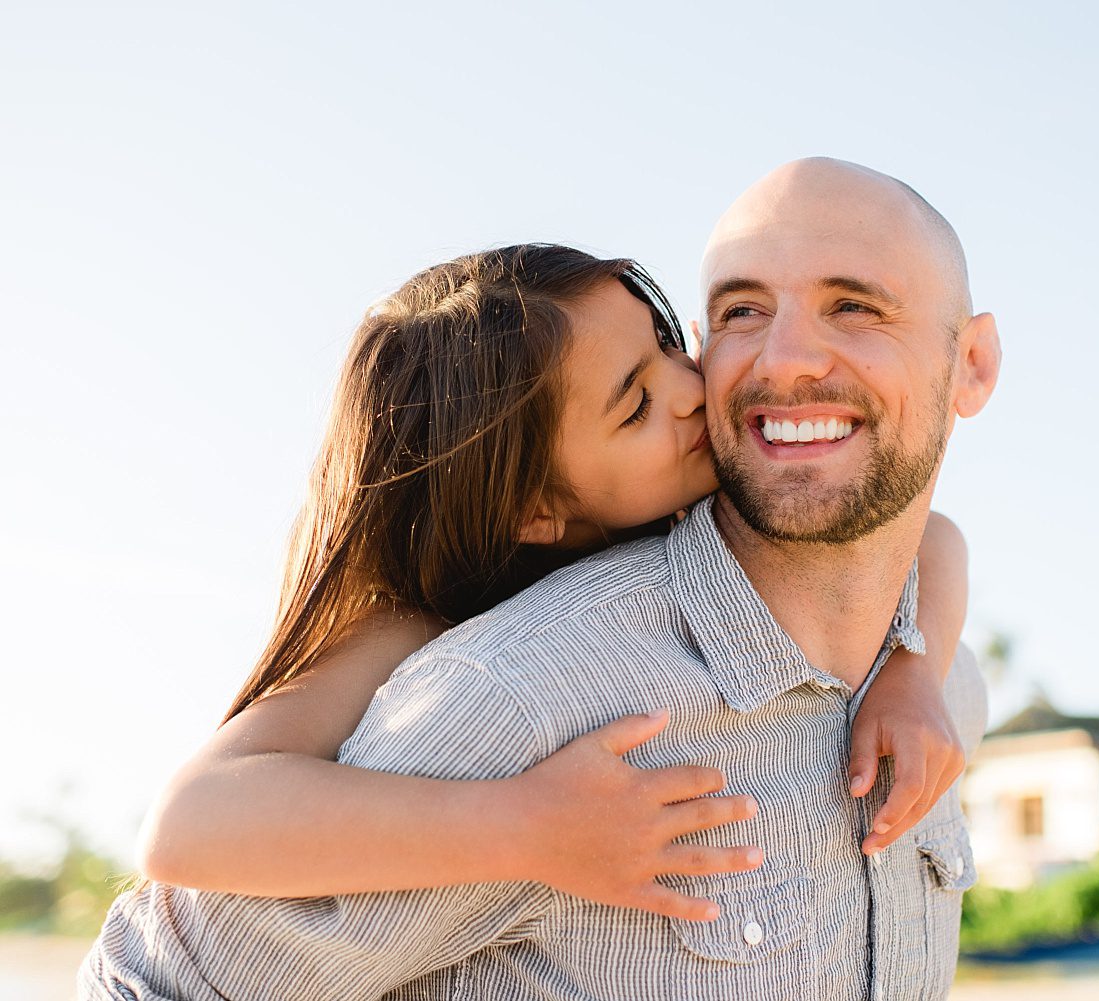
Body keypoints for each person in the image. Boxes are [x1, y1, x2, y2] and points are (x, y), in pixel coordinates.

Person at [81, 158, 998, 1000]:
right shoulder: (457, 659)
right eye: (637, 403)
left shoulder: (917, 665)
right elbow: (184, 842)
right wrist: (520, 824)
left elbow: (937, 540)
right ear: (537, 513)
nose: (697, 390)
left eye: (673, 346)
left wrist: (915, 668)